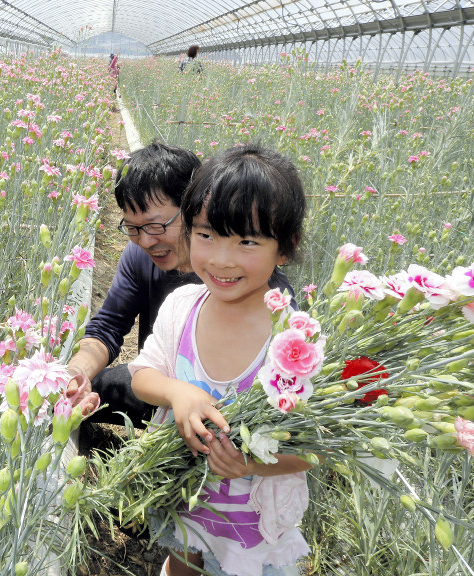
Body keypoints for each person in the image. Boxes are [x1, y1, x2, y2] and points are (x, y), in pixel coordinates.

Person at [129, 144, 312, 576]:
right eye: (206, 234)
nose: (222, 259)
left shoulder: (294, 342)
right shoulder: (183, 306)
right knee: (181, 562)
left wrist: (248, 464)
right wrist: (178, 392)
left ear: (285, 249)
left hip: (250, 529)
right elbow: (142, 375)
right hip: (185, 504)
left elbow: (313, 451)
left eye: (247, 241)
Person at [66, 142, 296, 427]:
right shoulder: (140, 257)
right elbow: (109, 327)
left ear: (195, 209)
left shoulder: (256, 284)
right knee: (95, 388)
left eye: (156, 225)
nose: (146, 241)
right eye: (133, 228)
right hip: (159, 387)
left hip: (228, 414)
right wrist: (73, 375)